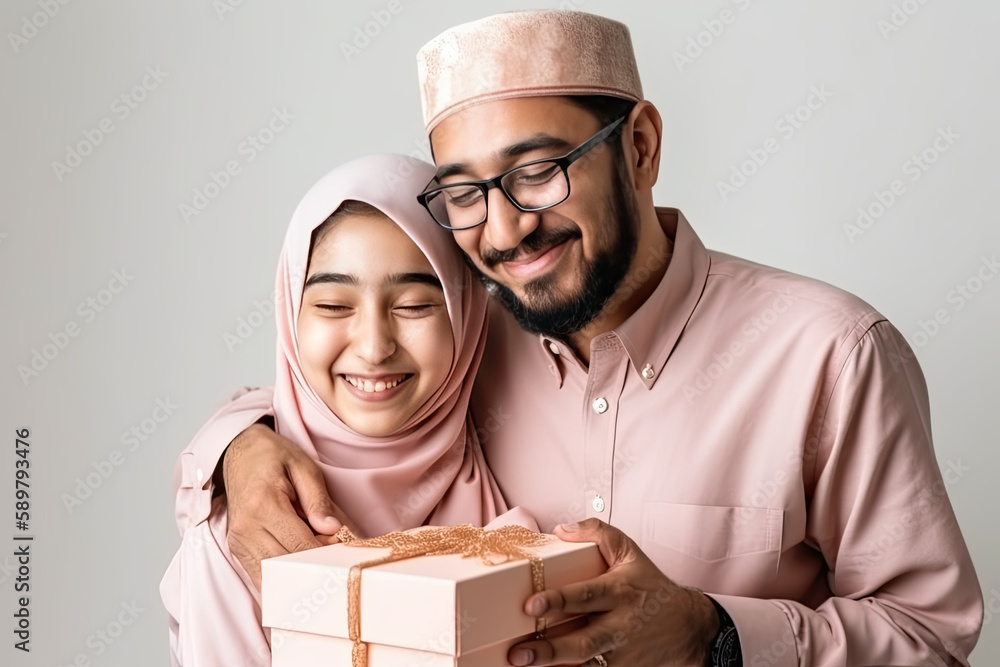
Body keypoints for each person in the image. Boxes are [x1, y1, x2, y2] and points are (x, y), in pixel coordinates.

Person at [172, 10, 983, 667]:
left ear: (640, 146)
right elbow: (342, 392)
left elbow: (932, 636)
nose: (505, 227)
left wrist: (715, 635)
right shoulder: (459, 341)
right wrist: (240, 450)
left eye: (537, 171)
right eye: (466, 190)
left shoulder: (831, 355)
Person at [160, 154, 518, 666]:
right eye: (333, 305)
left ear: (468, 315)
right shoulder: (244, 539)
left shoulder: (510, 456)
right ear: (290, 314)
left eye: (414, 305)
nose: (374, 348)